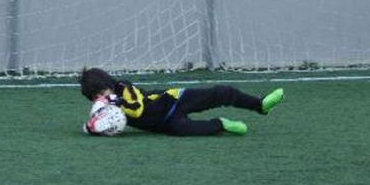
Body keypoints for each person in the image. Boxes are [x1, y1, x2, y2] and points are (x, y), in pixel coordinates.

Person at [79, 67, 284, 136]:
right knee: (186, 130)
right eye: (95, 98)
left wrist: (114, 100)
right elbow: (98, 126)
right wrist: (92, 127)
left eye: (101, 93)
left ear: (108, 84)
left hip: (172, 101)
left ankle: (260, 105)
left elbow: (137, 109)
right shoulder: (105, 106)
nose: (100, 99)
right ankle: (221, 124)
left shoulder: (123, 87)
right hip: (164, 124)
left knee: (219, 93)